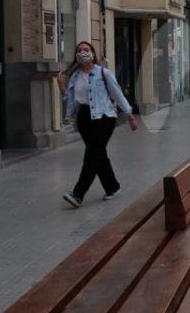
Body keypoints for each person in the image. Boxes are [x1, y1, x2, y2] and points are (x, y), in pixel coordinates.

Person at [57, 41, 137, 208]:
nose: (83, 52)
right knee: (98, 154)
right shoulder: (75, 76)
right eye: (79, 50)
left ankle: (78, 194)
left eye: (86, 50)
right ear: (76, 56)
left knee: (92, 154)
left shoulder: (103, 73)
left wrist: (129, 113)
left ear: (92, 53)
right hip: (84, 118)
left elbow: (117, 93)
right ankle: (112, 187)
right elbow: (72, 101)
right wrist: (62, 87)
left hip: (104, 117)